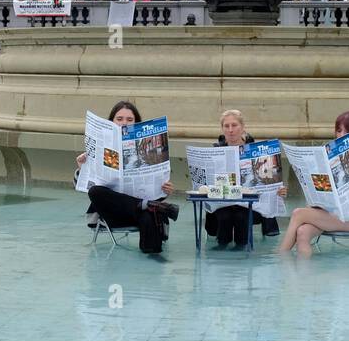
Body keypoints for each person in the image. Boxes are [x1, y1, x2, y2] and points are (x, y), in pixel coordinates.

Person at [278, 110, 349, 258]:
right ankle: (303, 277)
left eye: (347, 131)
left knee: (298, 213)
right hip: (330, 214)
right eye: (339, 130)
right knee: (302, 233)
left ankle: (280, 258)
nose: (341, 135)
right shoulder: (329, 156)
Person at [75, 101, 177, 254]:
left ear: (136, 122)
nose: (124, 123)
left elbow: (155, 189)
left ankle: (145, 206)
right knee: (95, 191)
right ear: (112, 121)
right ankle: (145, 204)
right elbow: (86, 187)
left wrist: (165, 190)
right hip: (113, 213)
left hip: (139, 214)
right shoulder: (103, 149)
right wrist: (82, 169)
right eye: (119, 119)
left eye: (130, 120)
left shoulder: (146, 154)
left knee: (149, 216)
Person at [202, 110, 270, 248]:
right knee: (224, 216)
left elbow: (267, 179)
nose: (231, 130)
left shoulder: (257, 151)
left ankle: (241, 251)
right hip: (223, 203)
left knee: (241, 217)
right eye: (226, 126)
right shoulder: (215, 151)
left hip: (248, 203)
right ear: (222, 129)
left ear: (243, 127)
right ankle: (222, 250)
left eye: (234, 125)